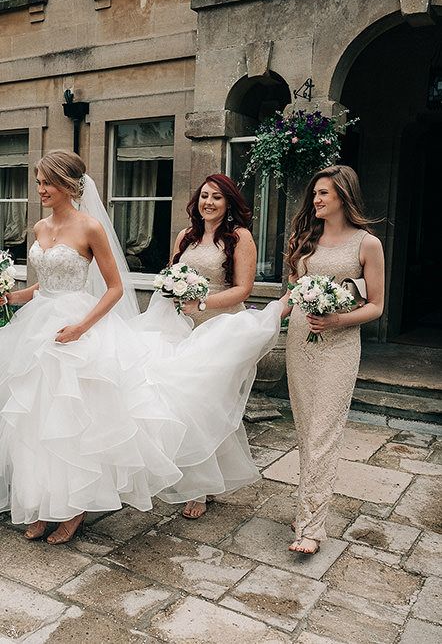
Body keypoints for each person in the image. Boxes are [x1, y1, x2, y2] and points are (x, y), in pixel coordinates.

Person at [0, 153, 282, 542]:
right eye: (38, 182)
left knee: (74, 420)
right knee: (36, 417)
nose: (41, 190)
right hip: (38, 328)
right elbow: (43, 284)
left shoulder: (90, 227)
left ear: (69, 184)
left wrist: (82, 328)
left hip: (78, 326)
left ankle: (74, 509)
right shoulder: (38, 227)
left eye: (47, 182)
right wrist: (12, 297)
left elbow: (115, 288)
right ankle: (41, 502)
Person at [281, 165, 384, 554]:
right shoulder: (303, 239)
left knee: (324, 431)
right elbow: (291, 295)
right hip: (300, 344)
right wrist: (259, 322)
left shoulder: (367, 244)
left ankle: (311, 528)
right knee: (307, 432)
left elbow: (376, 305)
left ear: (344, 195)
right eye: (315, 194)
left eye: (324, 193)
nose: (316, 200)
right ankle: (308, 507)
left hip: (339, 347)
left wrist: (338, 319)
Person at [170, 174, 258, 519]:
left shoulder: (239, 237)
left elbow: (243, 289)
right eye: (204, 195)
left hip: (222, 328)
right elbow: (171, 276)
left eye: (217, 198)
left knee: (210, 405)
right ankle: (193, 473)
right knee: (185, 404)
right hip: (184, 327)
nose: (208, 202)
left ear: (228, 203)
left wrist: (203, 305)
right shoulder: (185, 236)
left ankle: (202, 487)